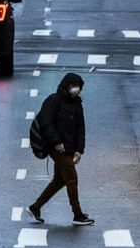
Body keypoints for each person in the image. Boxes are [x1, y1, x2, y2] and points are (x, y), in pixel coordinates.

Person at [26, 73, 94, 226]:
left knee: (60, 180)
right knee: (72, 178)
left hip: (70, 148)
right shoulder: (54, 101)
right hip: (57, 148)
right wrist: (56, 142)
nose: (76, 89)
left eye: (79, 86)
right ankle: (77, 214)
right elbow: (46, 123)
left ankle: (35, 207)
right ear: (66, 86)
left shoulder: (77, 103)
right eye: (73, 86)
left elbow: (80, 128)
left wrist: (79, 150)